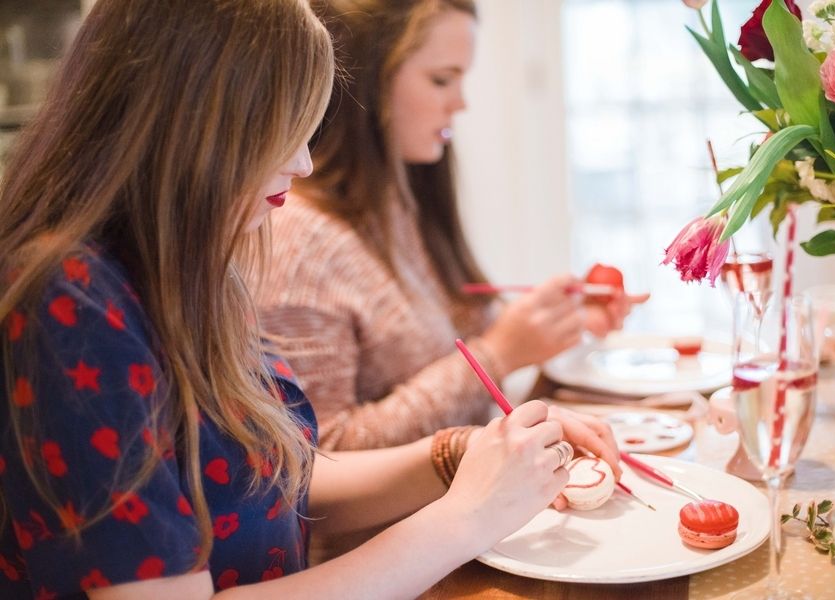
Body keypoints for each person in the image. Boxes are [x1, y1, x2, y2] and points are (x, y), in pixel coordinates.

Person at [0, 0, 621, 598]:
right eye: (281, 125)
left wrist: (464, 453)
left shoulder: (197, 265)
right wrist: (465, 517)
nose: (301, 162)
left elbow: (283, 471)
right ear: (193, 118)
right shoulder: (72, 302)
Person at [256, 0, 648, 452]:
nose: (461, 103)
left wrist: (560, 322)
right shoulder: (300, 242)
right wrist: (499, 354)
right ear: (366, 81)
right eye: (442, 79)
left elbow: (450, 341)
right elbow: (323, 457)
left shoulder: (401, 203)